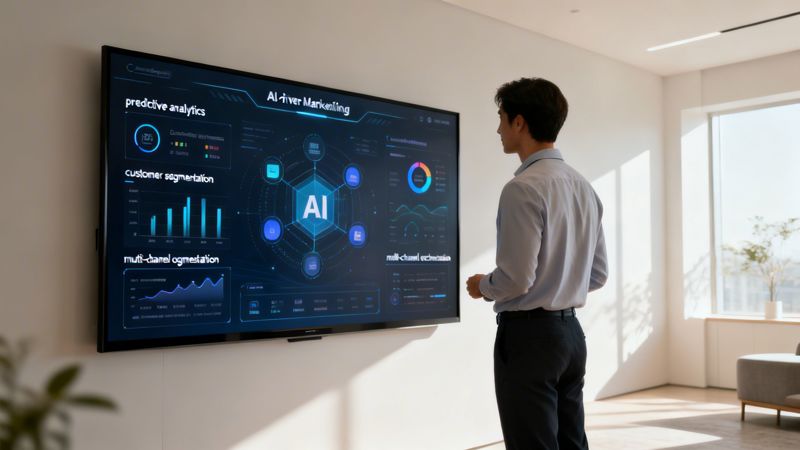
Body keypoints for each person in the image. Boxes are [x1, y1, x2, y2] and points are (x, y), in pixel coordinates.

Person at [466, 78, 608, 450]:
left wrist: (482, 285)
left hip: (529, 339)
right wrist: (561, 282)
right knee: (572, 443)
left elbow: (515, 279)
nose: (498, 128)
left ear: (519, 122)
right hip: (572, 337)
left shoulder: (522, 188)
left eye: (501, 117)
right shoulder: (584, 187)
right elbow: (598, 274)